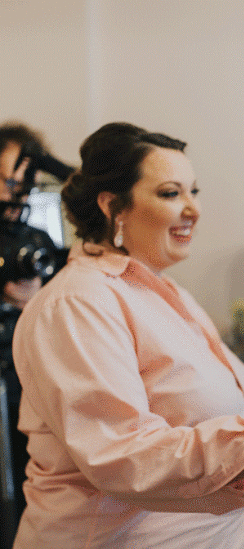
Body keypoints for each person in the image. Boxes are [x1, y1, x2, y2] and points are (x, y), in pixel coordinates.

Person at [11, 122, 244, 549]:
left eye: (194, 192)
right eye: (171, 193)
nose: (193, 209)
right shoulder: (77, 303)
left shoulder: (168, 293)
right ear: (113, 206)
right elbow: (122, 455)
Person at [0, 122, 65, 537]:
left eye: (28, 184)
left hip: (32, 387)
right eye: (10, 181)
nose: (18, 193)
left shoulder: (38, 242)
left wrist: (36, 302)